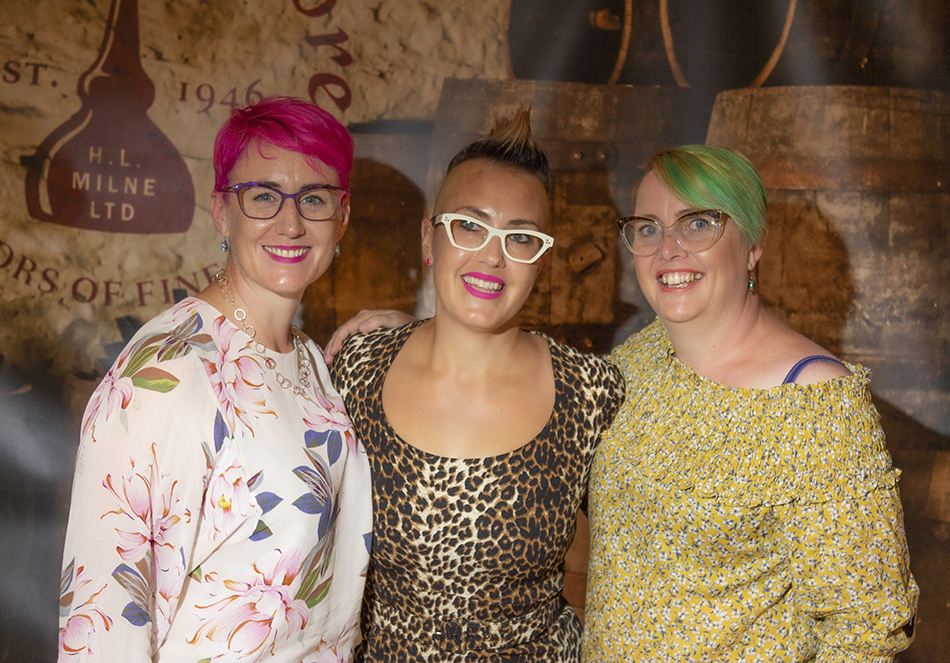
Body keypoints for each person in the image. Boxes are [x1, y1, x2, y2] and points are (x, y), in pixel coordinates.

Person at [57, 96, 372, 662]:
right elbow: (103, 622)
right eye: (263, 197)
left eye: (315, 198)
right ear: (222, 212)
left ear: (342, 217)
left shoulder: (308, 360)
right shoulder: (167, 372)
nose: (292, 222)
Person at [582, 144, 918, 661]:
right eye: (648, 227)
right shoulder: (642, 355)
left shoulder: (815, 402)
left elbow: (865, 629)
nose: (668, 248)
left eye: (697, 224)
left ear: (754, 243)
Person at [326, 107, 624, 662]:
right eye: (470, 225)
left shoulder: (590, 392)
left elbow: (628, 560)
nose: (492, 255)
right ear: (428, 239)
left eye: (521, 237)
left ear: (542, 260)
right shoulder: (356, 369)